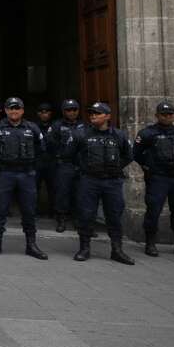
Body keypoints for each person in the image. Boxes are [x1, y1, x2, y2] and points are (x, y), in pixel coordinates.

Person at [0, 97, 47, 260]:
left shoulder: (32, 128)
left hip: (26, 174)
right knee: (0, 210)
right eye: (11, 108)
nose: (14, 111)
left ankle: (31, 244)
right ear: (6, 110)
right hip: (5, 174)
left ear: (22, 110)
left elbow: (42, 150)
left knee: (29, 210)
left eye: (17, 108)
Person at [67, 102, 134, 264]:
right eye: (91, 113)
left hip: (112, 181)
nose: (93, 115)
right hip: (89, 180)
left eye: (97, 113)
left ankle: (117, 250)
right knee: (86, 214)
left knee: (114, 215)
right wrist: (84, 168)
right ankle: (84, 248)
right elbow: (70, 154)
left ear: (108, 116)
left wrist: (114, 168)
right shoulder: (80, 134)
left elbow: (128, 155)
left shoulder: (119, 135)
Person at [134, 102, 174, 259]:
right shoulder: (147, 134)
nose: (167, 117)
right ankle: (150, 243)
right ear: (157, 116)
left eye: (170, 114)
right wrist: (148, 168)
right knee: (154, 210)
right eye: (163, 114)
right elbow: (136, 154)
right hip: (159, 178)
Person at [47, 99, 84, 233]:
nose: (72, 112)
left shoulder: (84, 125)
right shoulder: (57, 125)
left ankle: (79, 220)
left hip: (81, 165)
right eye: (69, 110)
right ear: (64, 111)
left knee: (80, 194)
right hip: (64, 164)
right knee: (62, 193)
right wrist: (60, 156)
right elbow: (50, 144)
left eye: (74, 109)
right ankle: (61, 219)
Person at [34, 103, 57, 214]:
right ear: (38, 114)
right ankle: (34, 211)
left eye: (47, 112)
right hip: (37, 161)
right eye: (42, 112)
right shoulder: (33, 126)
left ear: (50, 113)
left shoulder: (56, 126)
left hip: (51, 161)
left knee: (53, 188)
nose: (44, 114)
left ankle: (53, 211)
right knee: (34, 187)